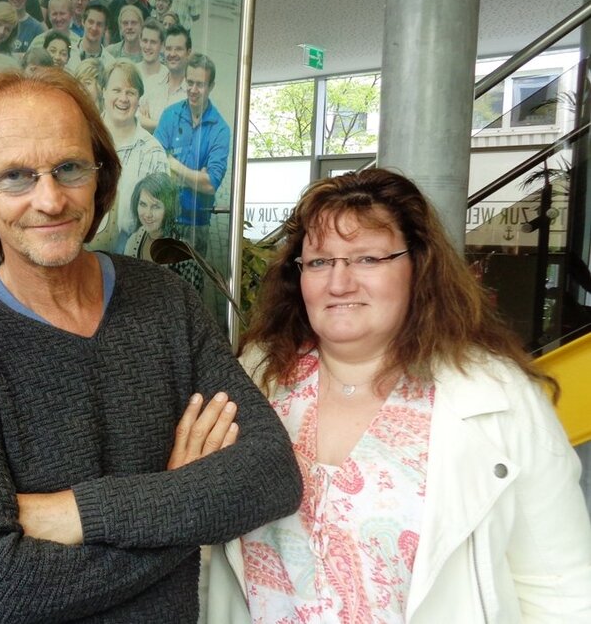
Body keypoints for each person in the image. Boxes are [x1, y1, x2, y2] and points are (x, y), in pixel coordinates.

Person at [0, 68, 301, 622]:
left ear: (100, 171)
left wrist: (79, 513)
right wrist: (184, 503)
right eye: (15, 176)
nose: (49, 200)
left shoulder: (165, 302)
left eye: (68, 168)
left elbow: (270, 475)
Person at [204, 168, 591, 623]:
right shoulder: (257, 379)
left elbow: (563, 591)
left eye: (367, 259)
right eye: (320, 261)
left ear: (419, 267)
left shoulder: (498, 398)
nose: (340, 282)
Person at [153, 53, 230, 256]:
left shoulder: (220, 130)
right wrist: (195, 178)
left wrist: (175, 167)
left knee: (190, 286)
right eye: (190, 82)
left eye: (200, 85)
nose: (193, 90)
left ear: (211, 86)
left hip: (196, 224)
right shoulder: (170, 115)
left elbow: (210, 184)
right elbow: (155, 164)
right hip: (163, 218)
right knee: (160, 284)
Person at [98, 60, 166, 250]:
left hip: (129, 253)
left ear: (139, 99)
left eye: (131, 92)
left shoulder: (153, 153)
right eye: (117, 90)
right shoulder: (81, 139)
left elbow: (162, 218)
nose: (123, 98)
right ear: (103, 91)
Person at [120, 171, 201, 292]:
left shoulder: (184, 254)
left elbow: (193, 301)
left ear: (169, 209)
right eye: (143, 204)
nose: (147, 214)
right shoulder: (133, 241)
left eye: (156, 206)